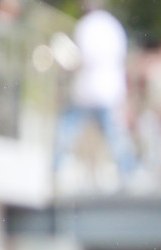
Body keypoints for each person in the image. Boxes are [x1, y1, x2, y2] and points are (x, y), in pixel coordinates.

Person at [53, 0, 138, 184]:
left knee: (67, 130)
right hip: (110, 91)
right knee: (115, 134)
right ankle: (129, 172)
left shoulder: (86, 26)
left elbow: (80, 57)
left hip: (87, 90)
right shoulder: (114, 26)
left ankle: (56, 167)